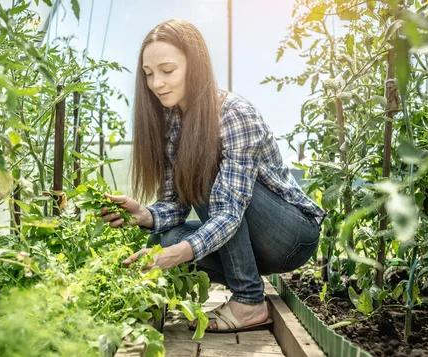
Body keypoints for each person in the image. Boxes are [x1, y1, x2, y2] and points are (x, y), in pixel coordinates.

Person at [99, 19, 326, 333]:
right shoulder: (172, 123)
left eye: (167, 70)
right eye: (149, 74)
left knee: (201, 174)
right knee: (167, 239)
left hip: (291, 236)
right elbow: (177, 207)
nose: (156, 84)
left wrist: (177, 255)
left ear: (195, 66)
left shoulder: (234, 113)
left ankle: (249, 301)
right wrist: (144, 215)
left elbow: (229, 211)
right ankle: (242, 289)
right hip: (252, 245)